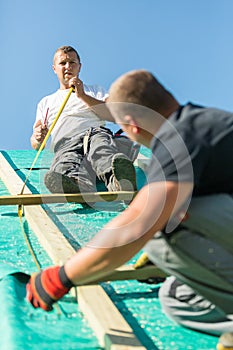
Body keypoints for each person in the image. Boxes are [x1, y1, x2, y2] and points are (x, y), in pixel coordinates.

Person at [27, 70, 233, 350]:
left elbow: (138, 222)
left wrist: (63, 276)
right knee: (177, 299)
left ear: (132, 126)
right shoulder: (200, 121)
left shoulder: (179, 139)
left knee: (162, 232)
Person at [30, 45, 138, 195]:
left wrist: (82, 95)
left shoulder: (94, 90)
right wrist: (37, 137)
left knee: (102, 151)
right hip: (65, 143)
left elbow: (113, 114)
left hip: (94, 133)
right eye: (62, 63)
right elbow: (36, 144)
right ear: (54, 68)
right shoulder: (46, 103)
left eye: (72, 63)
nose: (68, 67)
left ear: (79, 67)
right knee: (64, 162)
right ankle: (78, 185)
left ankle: (119, 182)